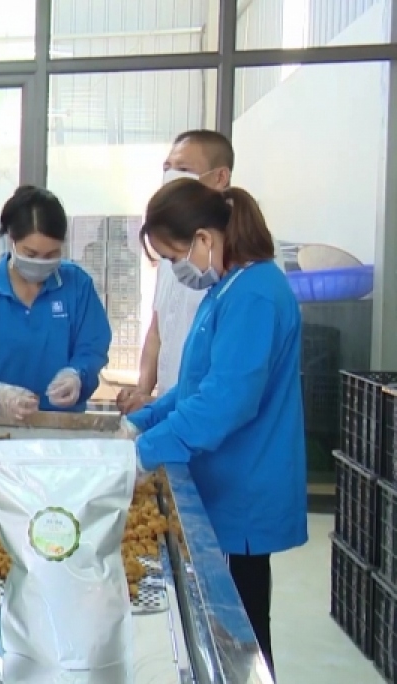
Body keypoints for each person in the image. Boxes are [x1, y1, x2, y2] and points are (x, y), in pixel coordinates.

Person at [119, 179, 306, 677]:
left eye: (173, 256)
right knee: (224, 624)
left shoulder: (256, 295)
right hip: (222, 481)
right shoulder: (226, 290)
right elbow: (195, 386)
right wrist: (140, 424)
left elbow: (227, 402)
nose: (176, 269)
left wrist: (147, 451)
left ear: (203, 238)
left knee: (240, 633)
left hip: (243, 486)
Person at [0, 186, 112, 420]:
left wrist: (78, 375)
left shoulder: (77, 286)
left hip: (63, 426)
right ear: (11, 241)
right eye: (31, 254)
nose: (40, 263)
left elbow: (93, 348)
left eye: (51, 255)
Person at [117, 130, 234, 415]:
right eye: (166, 168)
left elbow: (229, 390)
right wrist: (143, 393)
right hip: (181, 414)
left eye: (182, 169)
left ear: (220, 177)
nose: (170, 176)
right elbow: (158, 329)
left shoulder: (240, 272)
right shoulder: (176, 248)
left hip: (205, 416)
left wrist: (164, 415)